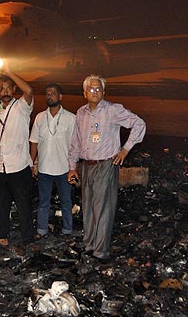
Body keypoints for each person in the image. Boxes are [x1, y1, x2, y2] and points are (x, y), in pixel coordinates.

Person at [67, 75, 146, 261]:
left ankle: (100, 251)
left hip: (105, 165)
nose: (95, 92)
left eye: (99, 89)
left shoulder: (112, 110)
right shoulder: (81, 113)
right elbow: (75, 141)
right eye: (91, 89)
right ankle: (89, 245)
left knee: (102, 208)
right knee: (88, 208)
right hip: (87, 165)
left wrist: (125, 150)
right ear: (84, 92)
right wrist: (72, 167)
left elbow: (139, 124)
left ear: (104, 92)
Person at [0, 63, 35, 247]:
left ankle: (28, 239)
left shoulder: (22, 107)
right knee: (1, 206)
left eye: (8, 88)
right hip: (0, 167)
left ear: (13, 89)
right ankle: (2, 237)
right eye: (2, 88)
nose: (5, 91)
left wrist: (9, 73)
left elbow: (29, 90)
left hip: (19, 166)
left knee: (24, 206)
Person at [30, 83, 76, 238]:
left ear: (60, 96)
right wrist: (32, 162)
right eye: (47, 93)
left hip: (64, 168)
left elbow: (75, 145)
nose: (49, 96)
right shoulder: (40, 117)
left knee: (66, 201)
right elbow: (34, 142)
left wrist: (73, 167)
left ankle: (67, 230)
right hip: (44, 168)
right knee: (44, 202)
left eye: (53, 93)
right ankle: (41, 230)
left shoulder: (71, 118)